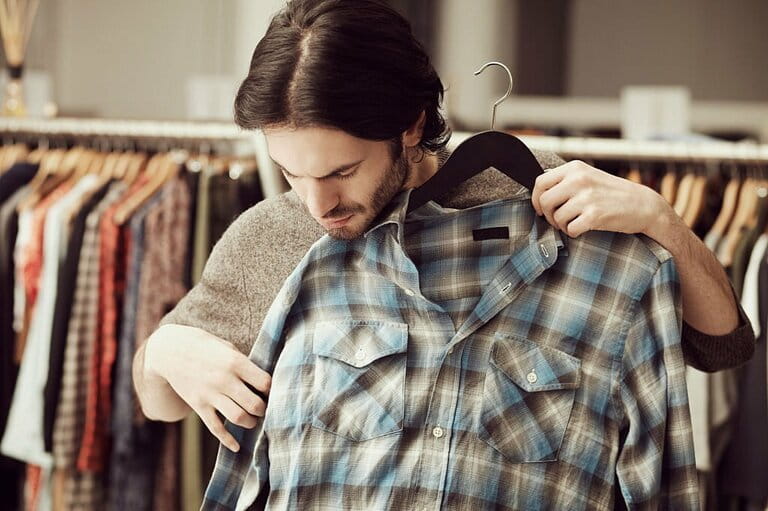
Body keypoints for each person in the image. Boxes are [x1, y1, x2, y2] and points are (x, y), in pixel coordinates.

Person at [133, 0, 754, 463]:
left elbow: (721, 348)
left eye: (341, 172)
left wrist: (662, 222)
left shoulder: (543, 198)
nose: (317, 202)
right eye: (291, 172)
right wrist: (165, 353)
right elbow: (158, 402)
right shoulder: (271, 237)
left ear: (410, 125)